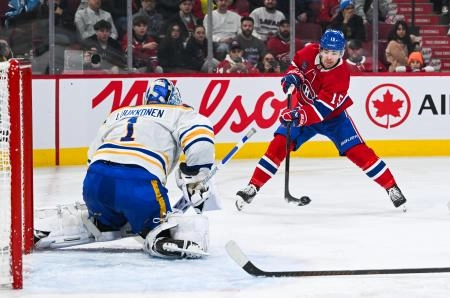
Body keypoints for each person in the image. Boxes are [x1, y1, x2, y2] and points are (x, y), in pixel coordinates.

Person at [34, 78, 217, 259]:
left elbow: (92, 155)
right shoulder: (181, 113)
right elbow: (201, 143)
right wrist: (196, 177)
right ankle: (160, 236)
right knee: (172, 227)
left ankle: (74, 225)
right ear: (175, 99)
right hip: (140, 184)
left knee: (100, 222)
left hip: (95, 183)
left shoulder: (119, 113)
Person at [234, 29, 407, 211]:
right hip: (302, 110)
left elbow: (321, 110)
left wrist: (297, 116)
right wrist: (293, 77)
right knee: (279, 143)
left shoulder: (341, 76)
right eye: (326, 51)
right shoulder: (308, 52)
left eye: (334, 53)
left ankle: (391, 187)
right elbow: (296, 67)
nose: (329, 57)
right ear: (320, 49)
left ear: (341, 53)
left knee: (358, 152)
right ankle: (253, 186)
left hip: (333, 119)